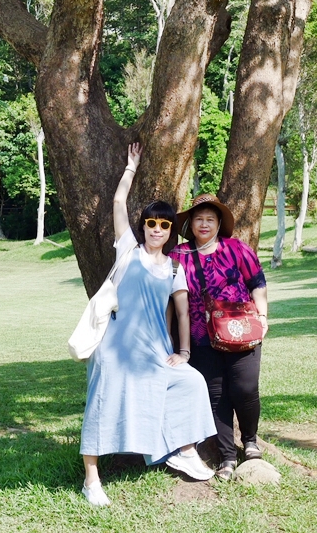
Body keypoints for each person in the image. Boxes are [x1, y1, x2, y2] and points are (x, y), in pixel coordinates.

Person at [79, 143, 217, 507]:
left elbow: (184, 312)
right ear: (144, 226)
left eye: (164, 224)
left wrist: (183, 351)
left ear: (172, 231)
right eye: (152, 223)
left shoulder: (174, 267)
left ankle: (183, 449)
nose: (157, 229)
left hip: (156, 351)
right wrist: (130, 168)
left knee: (191, 382)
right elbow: (117, 204)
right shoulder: (128, 249)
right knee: (102, 405)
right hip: (115, 349)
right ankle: (91, 479)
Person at [172, 194, 268, 481]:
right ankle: (227, 456)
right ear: (190, 224)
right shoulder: (178, 256)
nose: (204, 224)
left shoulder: (237, 248)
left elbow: (257, 283)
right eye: (199, 219)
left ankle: (250, 440)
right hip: (200, 337)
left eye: (210, 220)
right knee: (215, 398)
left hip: (242, 332)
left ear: (218, 224)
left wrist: (263, 317)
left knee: (245, 388)